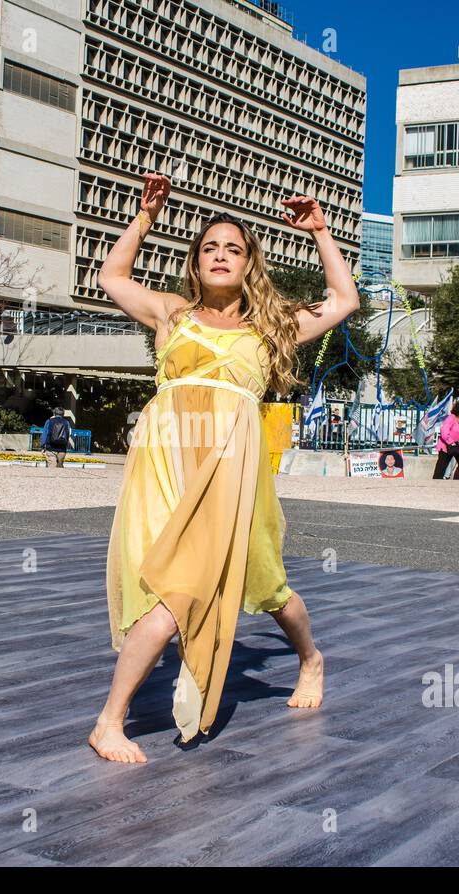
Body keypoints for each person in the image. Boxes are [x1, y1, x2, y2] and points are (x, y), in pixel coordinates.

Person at [90, 173, 358, 763]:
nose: (220, 254)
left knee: (267, 583)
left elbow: (344, 301)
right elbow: (111, 277)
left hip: (231, 472)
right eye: (210, 247)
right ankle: (109, 722)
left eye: (233, 248)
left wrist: (319, 232)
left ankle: (310, 658)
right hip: (164, 463)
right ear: (195, 262)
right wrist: (143, 217)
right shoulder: (170, 313)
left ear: (248, 265)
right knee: (168, 584)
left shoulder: (270, 326)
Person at [434, 401, 459, 480]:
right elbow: (444, 431)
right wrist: (451, 442)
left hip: (458, 447)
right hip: (446, 447)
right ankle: (435, 484)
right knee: (441, 468)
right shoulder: (451, 418)